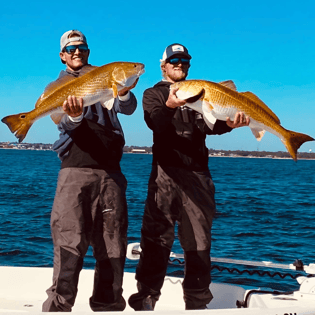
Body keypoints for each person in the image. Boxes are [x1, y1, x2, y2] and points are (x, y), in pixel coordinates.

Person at [128, 43, 250, 311]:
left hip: (198, 175)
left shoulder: (198, 93)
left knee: (198, 242)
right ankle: (145, 300)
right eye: (174, 61)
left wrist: (229, 124)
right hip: (165, 174)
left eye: (184, 61)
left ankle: (197, 304)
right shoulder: (154, 94)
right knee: (156, 240)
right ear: (164, 65)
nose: (180, 65)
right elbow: (156, 122)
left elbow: (208, 125)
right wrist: (171, 104)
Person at [42, 30, 138, 312]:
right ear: (62, 55)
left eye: (81, 47)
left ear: (88, 51)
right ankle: (59, 306)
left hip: (112, 171)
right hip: (76, 168)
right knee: (69, 241)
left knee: (113, 244)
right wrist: (73, 115)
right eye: (70, 49)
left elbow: (128, 108)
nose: (76, 52)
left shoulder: (109, 75)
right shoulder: (55, 86)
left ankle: (108, 304)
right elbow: (64, 125)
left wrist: (124, 89)